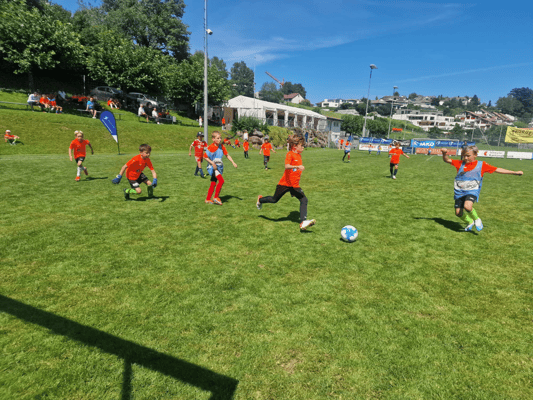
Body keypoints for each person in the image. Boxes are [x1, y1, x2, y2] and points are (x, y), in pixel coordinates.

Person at [441, 146, 523, 232]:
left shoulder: (481, 165)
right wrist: (444, 153)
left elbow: (497, 169)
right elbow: (447, 160)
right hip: (459, 192)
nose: (465, 158)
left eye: (468, 156)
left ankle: (477, 219)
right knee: (458, 213)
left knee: (467, 206)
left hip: (472, 191)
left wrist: (514, 172)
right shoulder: (460, 163)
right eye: (464, 155)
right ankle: (470, 222)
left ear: (475, 155)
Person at [256, 134, 316, 231]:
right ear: (295, 146)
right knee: (274, 199)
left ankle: (303, 222)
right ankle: (260, 199)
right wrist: (297, 167)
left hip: (294, 185)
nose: (303, 147)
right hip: (284, 184)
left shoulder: (299, 156)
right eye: (301, 145)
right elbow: (287, 166)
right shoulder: (290, 154)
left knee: (304, 200)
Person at [204, 131, 237, 205]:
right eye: (218, 138)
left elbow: (227, 155)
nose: (220, 139)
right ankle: (216, 197)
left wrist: (233, 162)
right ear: (213, 139)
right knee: (221, 181)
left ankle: (208, 199)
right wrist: (212, 163)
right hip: (213, 168)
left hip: (219, 167)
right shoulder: (211, 147)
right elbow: (205, 156)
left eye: (220, 138)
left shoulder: (221, 146)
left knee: (213, 183)